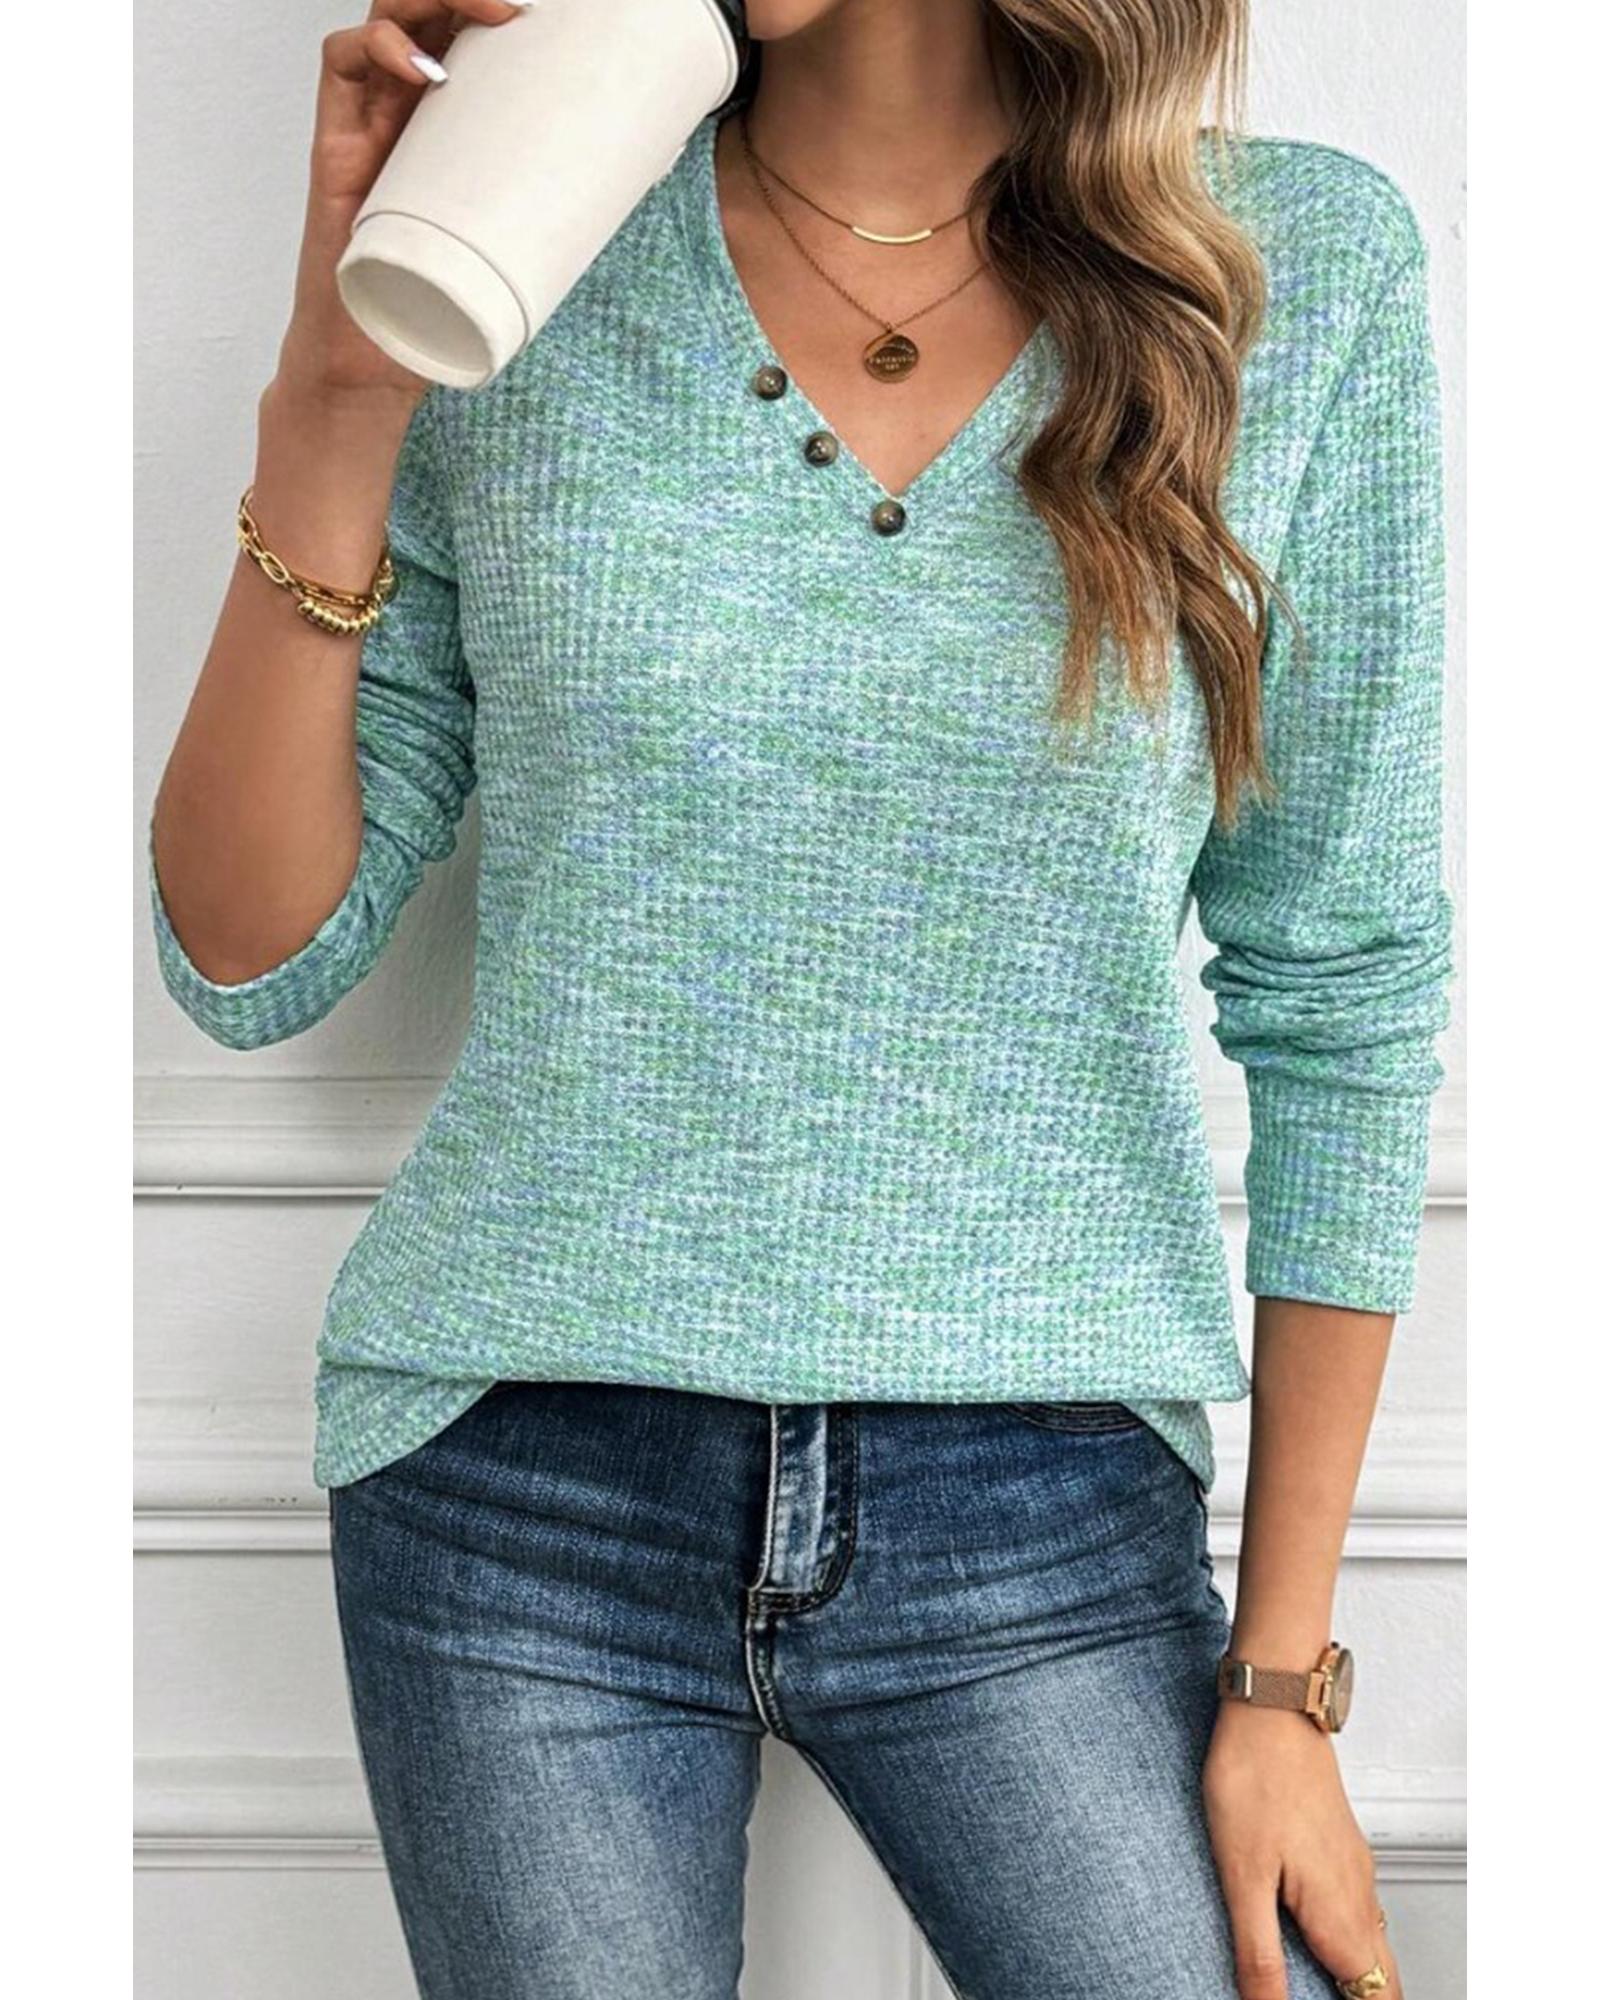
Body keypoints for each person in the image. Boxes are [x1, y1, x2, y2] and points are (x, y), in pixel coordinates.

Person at [146, 3, 1452, 1996]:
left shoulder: (1291, 278)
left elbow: (1342, 986)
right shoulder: (525, 245)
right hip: (516, 1493)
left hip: (1040, 1497)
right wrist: (338, 378)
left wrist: (1281, 1683)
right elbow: (248, 955)